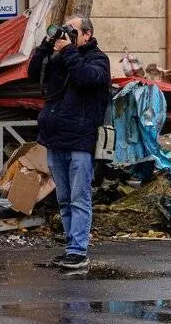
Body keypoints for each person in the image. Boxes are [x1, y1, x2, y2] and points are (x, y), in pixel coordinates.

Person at [27, 15, 111, 270]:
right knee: (64, 199)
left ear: (86, 34)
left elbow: (86, 78)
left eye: (72, 31)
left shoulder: (98, 59)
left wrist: (69, 52)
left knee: (79, 198)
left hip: (80, 142)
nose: (66, 35)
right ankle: (70, 249)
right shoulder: (60, 58)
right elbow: (32, 72)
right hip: (56, 140)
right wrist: (46, 44)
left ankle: (78, 251)